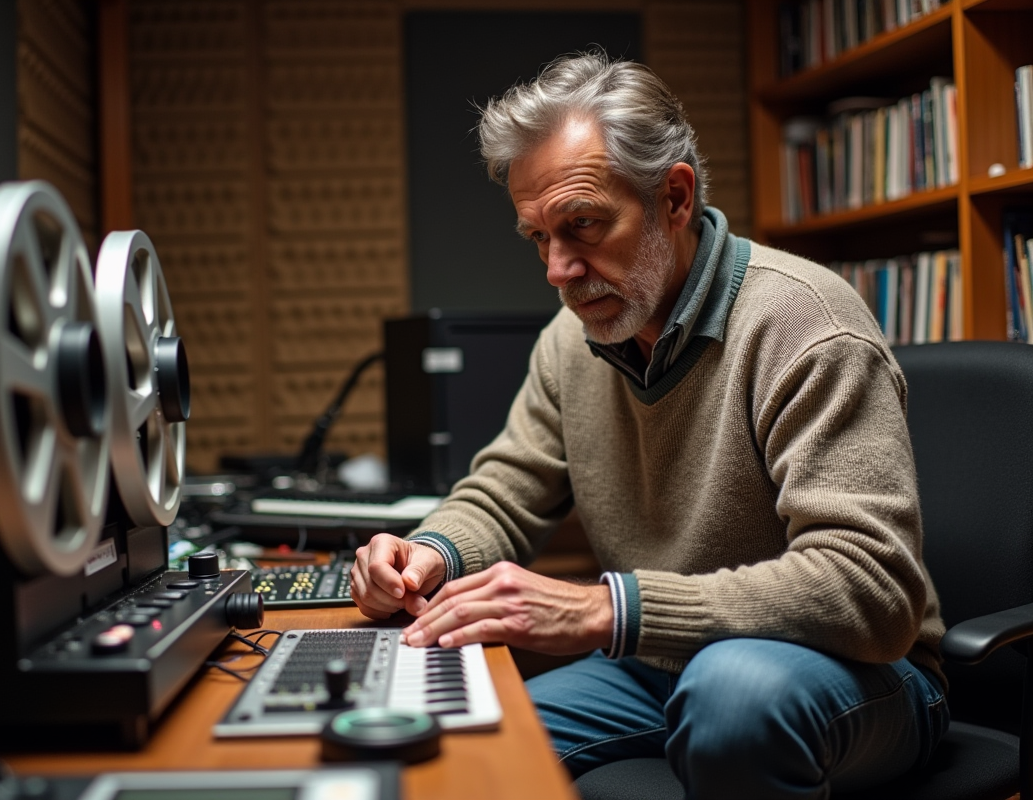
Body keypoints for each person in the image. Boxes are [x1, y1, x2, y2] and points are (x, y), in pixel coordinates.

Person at [349, 52, 947, 799]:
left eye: (583, 224)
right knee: (465, 744)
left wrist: (612, 609)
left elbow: (871, 588)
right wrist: (427, 554)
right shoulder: (571, 340)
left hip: (855, 671)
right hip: (657, 666)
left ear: (675, 197)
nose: (558, 269)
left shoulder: (806, 326)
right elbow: (504, 492)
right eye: (538, 237)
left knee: (732, 693)